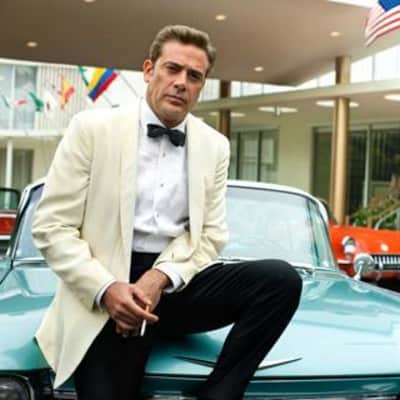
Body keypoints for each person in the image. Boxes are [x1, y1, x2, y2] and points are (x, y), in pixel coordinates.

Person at [32, 25, 302, 400]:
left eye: (194, 76)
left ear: (202, 85)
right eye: (172, 69)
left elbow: (210, 235)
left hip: (176, 282)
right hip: (107, 284)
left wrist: (159, 278)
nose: (181, 83)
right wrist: (107, 289)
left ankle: (220, 394)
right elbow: (52, 226)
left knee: (281, 280)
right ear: (149, 70)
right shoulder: (91, 128)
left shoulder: (215, 145)